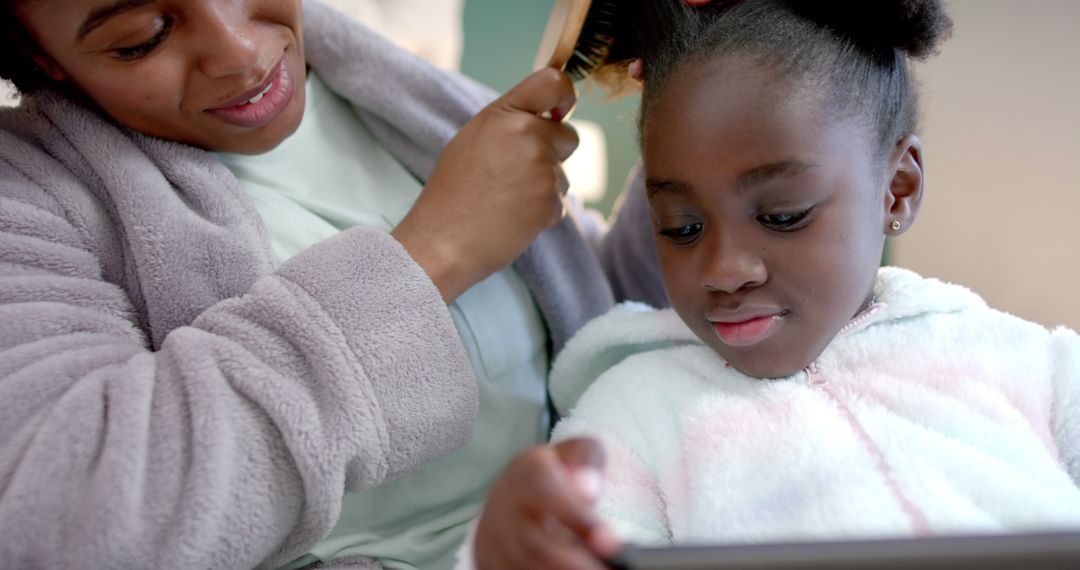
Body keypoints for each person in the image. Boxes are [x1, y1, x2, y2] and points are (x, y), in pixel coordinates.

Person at [0, 1, 665, 568]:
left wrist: (687, 123)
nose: (238, 50)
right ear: (41, 52)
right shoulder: (26, 203)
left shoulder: (390, 94)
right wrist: (438, 250)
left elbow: (597, 322)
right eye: (143, 35)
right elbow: (72, 520)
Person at [468, 1, 1080, 568]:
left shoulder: (1032, 366)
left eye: (782, 216)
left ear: (897, 189)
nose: (723, 269)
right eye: (681, 228)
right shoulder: (631, 415)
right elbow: (582, 540)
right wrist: (514, 545)